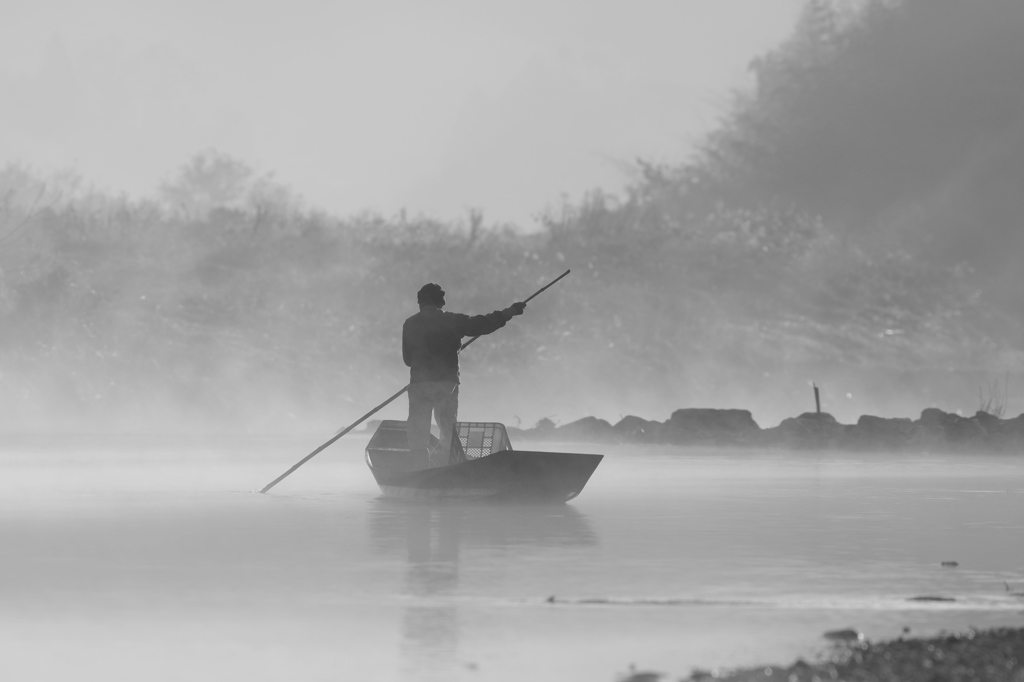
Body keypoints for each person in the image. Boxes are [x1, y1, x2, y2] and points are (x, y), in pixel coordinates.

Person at [403, 283, 525, 467]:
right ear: (441, 302)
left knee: (418, 430)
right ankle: (446, 469)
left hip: (420, 384)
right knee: (447, 428)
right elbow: (483, 324)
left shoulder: (410, 323)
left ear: (420, 302)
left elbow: (407, 360)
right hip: (446, 384)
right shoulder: (452, 320)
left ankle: (419, 470)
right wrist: (510, 312)